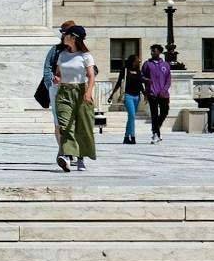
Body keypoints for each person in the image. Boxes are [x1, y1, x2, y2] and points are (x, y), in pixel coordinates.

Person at [51, 28, 99, 172]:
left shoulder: (85, 56)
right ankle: (66, 155)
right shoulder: (62, 55)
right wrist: (57, 78)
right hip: (64, 92)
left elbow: (91, 75)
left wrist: (89, 92)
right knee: (65, 125)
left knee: (82, 126)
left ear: (73, 37)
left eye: (66, 34)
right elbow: (58, 73)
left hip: (81, 91)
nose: (63, 36)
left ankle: (81, 158)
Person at [139, 44, 174, 141]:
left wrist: (164, 90)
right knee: (154, 113)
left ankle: (157, 127)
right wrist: (146, 80)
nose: (152, 52)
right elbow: (141, 76)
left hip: (163, 94)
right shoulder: (147, 64)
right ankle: (155, 133)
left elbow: (168, 79)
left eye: (154, 51)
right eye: (151, 51)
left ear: (159, 52)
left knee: (165, 111)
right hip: (152, 93)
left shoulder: (165, 65)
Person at [107, 55, 144, 146]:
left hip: (137, 96)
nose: (139, 62)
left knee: (131, 117)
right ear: (133, 61)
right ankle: (133, 136)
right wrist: (112, 94)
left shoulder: (138, 71)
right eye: (137, 60)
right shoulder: (125, 70)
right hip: (128, 96)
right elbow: (119, 82)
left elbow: (140, 84)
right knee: (131, 114)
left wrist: (145, 94)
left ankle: (126, 137)